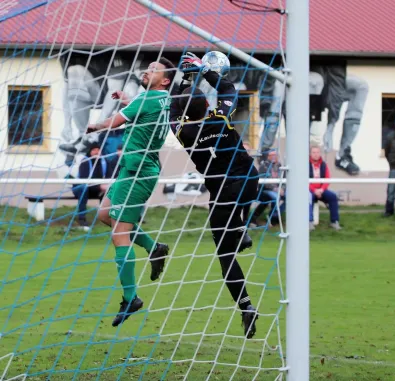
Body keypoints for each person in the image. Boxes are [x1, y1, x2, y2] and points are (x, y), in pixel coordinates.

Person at [169, 52, 258, 338]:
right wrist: (202, 69)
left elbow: (173, 112)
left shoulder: (182, 132)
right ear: (207, 104)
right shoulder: (221, 118)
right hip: (247, 182)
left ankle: (246, 307)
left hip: (222, 194)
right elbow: (229, 89)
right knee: (247, 182)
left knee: (226, 256)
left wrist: (183, 81)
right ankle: (242, 225)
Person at [87, 58, 174, 327]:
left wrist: (96, 126)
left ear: (165, 80)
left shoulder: (144, 98)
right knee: (104, 214)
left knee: (118, 232)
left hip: (137, 172)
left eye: (154, 69)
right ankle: (154, 247)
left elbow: (113, 123)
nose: (147, 70)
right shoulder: (163, 100)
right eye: (147, 66)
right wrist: (127, 100)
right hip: (133, 169)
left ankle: (131, 298)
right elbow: (143, 116)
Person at [72, 143, 115, 230]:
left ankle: (108, 217)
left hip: (98, 189)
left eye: (98, 150)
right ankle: (82, 218)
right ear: (90, 151)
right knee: (83, 189)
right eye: (94, 150)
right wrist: (99, 187)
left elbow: (109, 177)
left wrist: (106, 186)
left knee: (111, 190)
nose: (96, 152)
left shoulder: (105, 161)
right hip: (82, 188)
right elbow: (84, 180)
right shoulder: (85, 162)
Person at [309, 146, 341, 231]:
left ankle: (334, 221)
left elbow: (327, 179)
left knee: (333, 196)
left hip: (321, 190)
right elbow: (304, 181)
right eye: (314, 152)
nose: (316, 154)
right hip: (310, 190)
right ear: (310, 154)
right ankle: (309, 222)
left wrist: (321, 190)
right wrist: (314, 190)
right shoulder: (306, 164)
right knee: (308, 197)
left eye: (317, 152)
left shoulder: (323, 165)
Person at [251, 150, 285, 226]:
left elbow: (284, 178)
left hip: (280, 189)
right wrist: (275, 189)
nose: (274, 157)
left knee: (289, 197)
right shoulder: (264, 166)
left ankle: (274, 216)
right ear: (268, 156)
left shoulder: (280, 166)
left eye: (275, 155)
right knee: (275, 197)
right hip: (266, 190)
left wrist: (282, 188)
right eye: (272, 155)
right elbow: (264, 181)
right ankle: (272, 218)